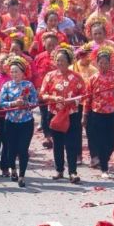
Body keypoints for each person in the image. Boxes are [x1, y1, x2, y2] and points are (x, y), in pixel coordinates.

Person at [40, 46, 86, 184]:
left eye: (62, 60)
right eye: (57, 60)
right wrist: (53, 98)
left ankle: (72, 172)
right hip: (54, 114)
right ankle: (59, 170)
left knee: (71, 143)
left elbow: (84, 95)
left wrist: (72, 100)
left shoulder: (76, 77)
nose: (59, 63)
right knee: (58, 143)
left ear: (69, 61)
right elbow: (42, 94)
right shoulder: (49, 76)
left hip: (72, 114)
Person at [83, 47, 114, 179]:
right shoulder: (93, 78)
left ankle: (104, 158)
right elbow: (87, 98)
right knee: (101, 140)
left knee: (113, 139)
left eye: (106, 63)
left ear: (110, 63)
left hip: (112, 112)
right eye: (100, 63)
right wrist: (85, 115)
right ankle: (104, 167)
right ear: (97, 63)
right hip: (97, 113)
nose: (103, 65)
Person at [0, 56, 38, 187]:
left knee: (23, 149)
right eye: (12, 72)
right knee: (11, 148)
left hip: (26, 122)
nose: (14, 74)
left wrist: (26, 104)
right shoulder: (7, 85)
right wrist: (13, 103)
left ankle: (22, 175)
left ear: (22, 72)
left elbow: (35, 102)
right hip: (11, 122)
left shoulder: (29, 85)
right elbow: (1, 102)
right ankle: (13, 169)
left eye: (17, 71)